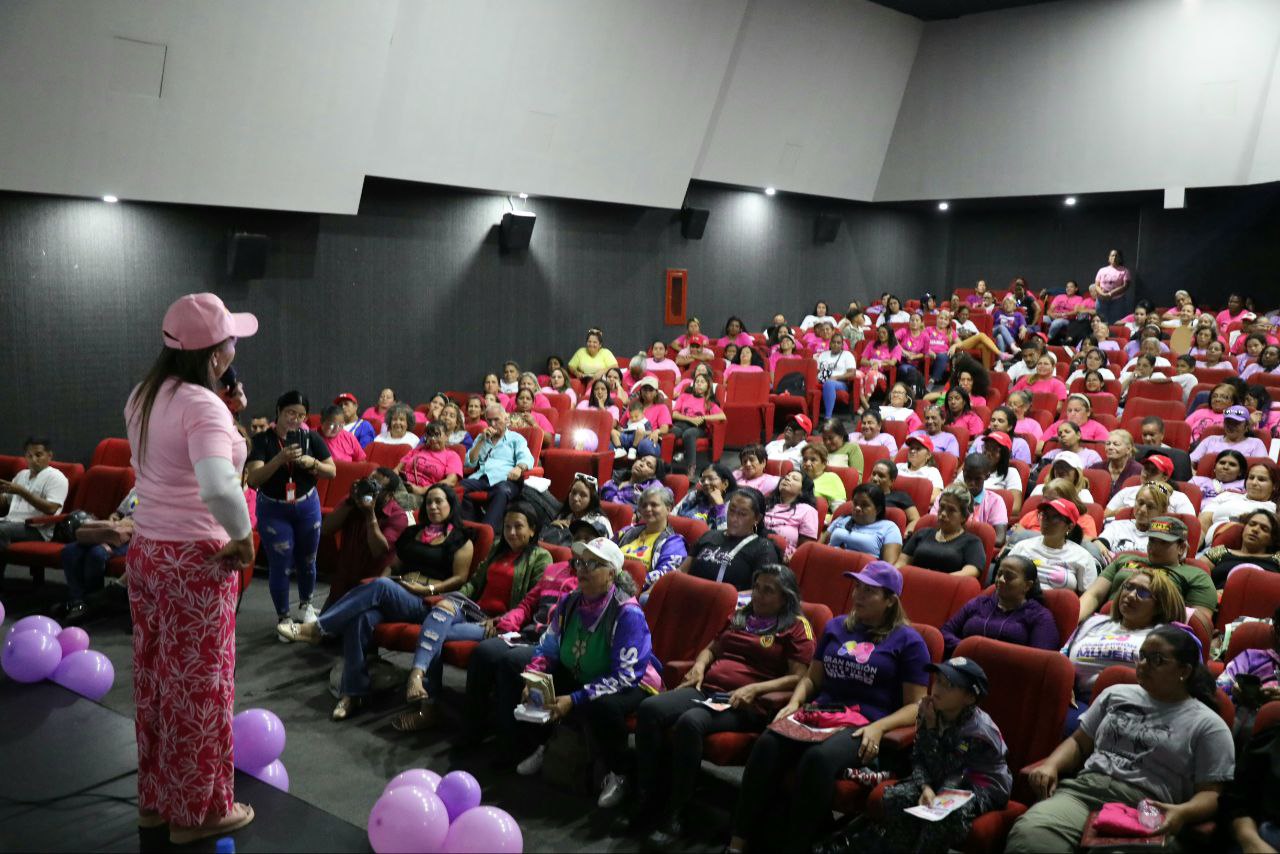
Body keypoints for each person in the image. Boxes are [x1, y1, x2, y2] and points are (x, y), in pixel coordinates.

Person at [123, 292, 258, 842]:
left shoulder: (144, 394)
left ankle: (156, 802)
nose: (233, 346)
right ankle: (199, 813)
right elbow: (215, 484)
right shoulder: (201, 406)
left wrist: (228, 418)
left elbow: (169, 464)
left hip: (149, 550)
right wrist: (245, 538)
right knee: (201, 687)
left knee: (156, 677)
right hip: (195, 559)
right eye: (230, 339)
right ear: (216, 353)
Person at [727, 561, 929, 853]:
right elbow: (812, 679)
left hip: (865, 723)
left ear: (889, 601)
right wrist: (794, 703)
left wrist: (879, 727)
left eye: (869, 591)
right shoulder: (837, 627)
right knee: (767, 744)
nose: (857, 595)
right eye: (857, 587)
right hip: (823, 712)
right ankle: (738, 843)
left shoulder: (910, 642)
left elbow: (916, 706)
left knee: (818, 760)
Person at [1007, 625, 1234, 853]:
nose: (1143, 664)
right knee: (1030, 837)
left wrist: (1182, 813)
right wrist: (1051, 764)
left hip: (1145, 808)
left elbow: (1212, 793)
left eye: (1157, 660)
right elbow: (1078, 742)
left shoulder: (1208, 725)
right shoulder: (1115, 694)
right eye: (1142, 656)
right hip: (1084, 791)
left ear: (1184, 670)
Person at [632, 565, 815, 844]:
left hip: (747, 703)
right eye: (758, 588)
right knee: (650, 709)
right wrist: (699, 667)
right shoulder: (742, 615)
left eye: (769, 591)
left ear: (785, 597)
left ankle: (678, 810)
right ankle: (647, 796)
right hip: (707, 689)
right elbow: (711, 648)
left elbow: (799, 678)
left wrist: (755, 688)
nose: (760, 595)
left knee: (690, 722)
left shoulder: (795, 626)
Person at [280, 480, 468, 713]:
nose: (433, 506)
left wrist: (428, 590)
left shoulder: (461, 538)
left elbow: (460, 578)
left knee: (380, 586)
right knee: (363, 618)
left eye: (439, 501)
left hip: (430, 603)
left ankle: (318, 629)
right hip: (402, 592)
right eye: (429, 501)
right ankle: (353, 693)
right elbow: (394, 565)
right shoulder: (413, 533)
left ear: (451, 505)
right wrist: (387, 580)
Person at [512, 537, 662, 810]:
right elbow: (548, 646)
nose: (583, 569)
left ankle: (619, 772)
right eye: (580, 562)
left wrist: (577, 698)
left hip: (631, 682)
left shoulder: (627, 613)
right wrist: (533, 678)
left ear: (612, 574)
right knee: (535, 682)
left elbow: (626, 675)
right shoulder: (569, 602)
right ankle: (544, 746)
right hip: (585, 672)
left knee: (603, 706)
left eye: (594, 564)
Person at [393, 502, 550, 731]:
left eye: (519, 527)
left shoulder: (540, 557)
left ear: (533, 529)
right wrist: (452, 598)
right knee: (441, 611)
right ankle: (417, 677)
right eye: (507, 527)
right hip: (474, 609)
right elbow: (474, 584)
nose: (512, 533)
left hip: (499, 623)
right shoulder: (498, 547)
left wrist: (500, 620)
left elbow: (531, 602)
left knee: (435, 633)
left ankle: (428, 705)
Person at [457, 519, 594, 748]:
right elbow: (528, 604)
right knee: (484, 652)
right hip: (528, 633)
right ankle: (472, 730)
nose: (582, 543)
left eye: (588, 539)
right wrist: (509, 621)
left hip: (556, 643)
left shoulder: (591, 580)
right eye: (578, 537)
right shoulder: (554, 569)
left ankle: (509, 742)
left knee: (511, 662)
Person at [875, 658, 1011, 854]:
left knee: (943, 814)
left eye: (950, 685)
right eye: (937, 680)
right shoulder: (932, 710)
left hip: (981, 786)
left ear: (970, 698)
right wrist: (926, 787)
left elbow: (953, 774)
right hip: (942, 777)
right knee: (897, 797)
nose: (937, 688)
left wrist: (930, 729)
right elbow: (918, 756)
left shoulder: (978, 732)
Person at [246, 390, 336, 628]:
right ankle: (283, 617)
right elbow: (254, 479)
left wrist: (313, 463)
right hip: (274, 509)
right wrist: (279, 459)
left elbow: (332, 471)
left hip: (307, 505)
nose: (295, 419)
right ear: (279, 412)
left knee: (308, 559)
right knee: (280, 563)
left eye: (301, 415)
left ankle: (307, 604)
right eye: (290, 413)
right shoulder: (263, 440)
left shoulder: (311, 438)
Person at [1078, 516, 1218, 630]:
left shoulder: (1196, 576)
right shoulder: (1125, 559)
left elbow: (1199, 625)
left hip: (1155, 634)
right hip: (1105, 624)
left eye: (1163, 543)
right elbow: (1094, 594)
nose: (1154, 547)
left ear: (1181, 548)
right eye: (1152, 540)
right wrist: (1075, 622)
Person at [941, 554, 1059, 655]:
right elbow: (945, 632)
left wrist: (993, 656)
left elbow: (1040, 658)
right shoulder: (979, 603)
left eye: (1009, 577)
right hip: (963, 664)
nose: (1001, 579)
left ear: (1027, 586)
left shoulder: (1039, 616)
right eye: (999, 574)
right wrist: (969, 649)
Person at [54, 487, 138, 623]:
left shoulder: (165, 491)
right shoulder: (136, 489)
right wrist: (114, 518)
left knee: (96, 554)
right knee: (70, 551)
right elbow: (118, 513)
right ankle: (77, 600)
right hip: (112, 532)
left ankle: (91, 604)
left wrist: (131, 523)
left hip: (134, 538)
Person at [680, 488, 782, 594]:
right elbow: (682, 571)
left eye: (742, 514)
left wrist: (727, 598)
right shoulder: (709, 535)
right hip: (689, 596)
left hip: (728, 605)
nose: (734, 518)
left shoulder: (763, 549)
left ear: (757, 518)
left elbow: (761, 592)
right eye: (731, 510)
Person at [460, 403, 534, 532]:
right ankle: (470, 527)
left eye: (496, 419)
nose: (493, 424)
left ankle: (487, 532)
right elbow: (469, 462)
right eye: (489, 420)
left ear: (506, 420)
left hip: (506, 480)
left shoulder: (516, 439)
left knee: (502, 491)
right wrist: (482, 441)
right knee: (459, 488)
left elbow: (527, 458)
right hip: (482, 477)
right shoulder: (481, 437)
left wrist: (519, 468)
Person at [1216, 604, 1280, 747]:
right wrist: (1235, 690)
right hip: (1238, 732)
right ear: (1276, 630)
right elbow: (1218, 687)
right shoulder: (1252, 658)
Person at [1007, 498, 1098, 593]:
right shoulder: (1023, 546)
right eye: (1044, 515)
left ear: (1070, 527)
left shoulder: (1083, 557)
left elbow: (1087, 596)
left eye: (1055, 517)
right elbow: (1004, 577)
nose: (1046, 520)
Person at [896, 484, 987, 578]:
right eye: (942, 507)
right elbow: (901, 563)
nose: (943, 514)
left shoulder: (972, 542)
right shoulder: (922, 533)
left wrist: (938, 581)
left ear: (964, 517)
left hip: (947, 589)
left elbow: (972, 571)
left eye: (951, 510)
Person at [0, 436, 70, 555]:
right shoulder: (21, 475)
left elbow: (51, 509)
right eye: (29, 456)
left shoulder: (57, 478)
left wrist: (22, 492)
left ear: (49, 455)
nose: (33, 460)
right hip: (10, 521)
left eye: (38, 455)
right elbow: (5, 502)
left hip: (36, 529)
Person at [1200, 462, 1280, 546]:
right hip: (1206, 548)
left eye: (1261, 479)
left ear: (1275, 485)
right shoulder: (1226, 496)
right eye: (1251, 478)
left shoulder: (1274, 509)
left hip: (1242, 553)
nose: (1254, 483)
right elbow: (1203, 523)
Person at [1095, 482, 1173, 564]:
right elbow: (1100, 543)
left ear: (1163, 511)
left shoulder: (1167, 535)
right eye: (1140, 503)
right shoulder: (1117, 526)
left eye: (1150, 506)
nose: (1142, 510)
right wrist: (1098, 544)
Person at [824, 483, 903, 562]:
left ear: (878, 509)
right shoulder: (842, 519)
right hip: (828, 564)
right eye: (855, 503)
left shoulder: (889, 528)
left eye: (864, 505)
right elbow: (819, 546)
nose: (857, 508)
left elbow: (889, 567)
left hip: (862, 572)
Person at [1202, 508, 1280, 588]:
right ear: (1244, 528)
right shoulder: (1219, 552)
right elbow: (1196, 574)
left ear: (1272, 539)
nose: (1255, 530)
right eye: (1252, 524)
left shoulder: (1277, 559)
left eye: (1264, 529)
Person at [395, 420, 464, 510]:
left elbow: (451, 481)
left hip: (425, 494)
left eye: (436, 434)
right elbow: (396, 469)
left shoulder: (452, 456)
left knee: (398, 501)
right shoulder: (419, 449)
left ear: (446, 436)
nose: (432, 439)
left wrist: (422, 490)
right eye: (429, 435)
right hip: (403, 486)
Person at [670, 371, 725, 477]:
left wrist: (703, 417)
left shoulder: (709, 402)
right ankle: (666, 464)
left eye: (702, 382)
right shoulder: (684, 396)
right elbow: (674, 414)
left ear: (708, 386)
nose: (699, 384)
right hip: (682, 424)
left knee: (689, 433)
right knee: (672, 431)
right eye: (697, 382)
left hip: (698, 428)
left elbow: (722, 416)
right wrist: (690, 419)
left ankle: (691, 467)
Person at [1104, 454, 1193, 518]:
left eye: (1153, 471)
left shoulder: (1179, 498)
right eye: (1145, 468)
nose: (1146, 474)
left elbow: (1189, 525)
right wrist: (1121, 512)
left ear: (1165, 477)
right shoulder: (1127, 491)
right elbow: (1104, 516)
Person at [542, 472, 612, 547]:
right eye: (573, 492)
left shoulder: (601, 522)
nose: (575, 498)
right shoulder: (564, 516)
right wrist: (551, 528)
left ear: (592, 499)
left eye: (583, 495)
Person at [763, 470, 820, 559]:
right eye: (787, 476)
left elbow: (805, 548)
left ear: (802, 490)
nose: (787, 478)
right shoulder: (766, 503)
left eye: (795, 479)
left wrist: (792, 558)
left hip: (782, 558)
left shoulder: (807, 510)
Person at [1190, 404, 1268, 464]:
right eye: (1228, 422)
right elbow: (1191, 461)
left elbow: (1262, 468)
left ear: (1247, 426)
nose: (1231, 426)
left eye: (1236, 423)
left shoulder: (1256, 443)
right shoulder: (1211, 440)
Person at [673, 463, 736, 529]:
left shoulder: (733, 505)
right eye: (703, 480)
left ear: (725, 484)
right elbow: (673, 515)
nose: (705, 482)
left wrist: (720, 507)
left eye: (711, 479)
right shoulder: (695, 495)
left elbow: (725, 535)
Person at [870, 459, 922, 535]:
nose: (875, 478)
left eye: (881, 476)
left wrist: (904, 535)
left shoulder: (900, 496)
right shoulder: (863, 493)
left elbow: (915, 519)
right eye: (873, 474)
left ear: (892, 481)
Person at [1088, 430, 1143, 501]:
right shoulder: (1095, 468)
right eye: (1108, 444)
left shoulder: (1138, 471)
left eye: (1116, 444)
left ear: (1128, 449)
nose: (1110, 447)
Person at [817, 331, 861, 417]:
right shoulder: (823, 355)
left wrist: (836, 377)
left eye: (838, 343)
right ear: (830, 343)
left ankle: (828, 417)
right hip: (822, 380)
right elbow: (817, 371)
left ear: (842, 345)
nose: (835, 344)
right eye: (833, 342)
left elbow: (852, 373)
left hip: (841, 383)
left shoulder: (847, 355)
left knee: (829, 383)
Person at [600, 451, 666, 510]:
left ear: (653, 475)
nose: (641, 464)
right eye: (642, 460)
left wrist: (637, 516)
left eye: (649, 465)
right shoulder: (616, 478)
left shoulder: (649, 489)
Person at [1043, 395, 1110, 450]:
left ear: (1088, 412)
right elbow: (1039, 448)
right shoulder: (1058, 424)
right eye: (1069, 410)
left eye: (1077, 410)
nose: (1072, 414)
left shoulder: (1098, 428)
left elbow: (1103, 452)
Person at [1087, 247, 1134, 325]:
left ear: (1120, 258)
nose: (1114, 257)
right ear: (1109, 258)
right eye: (1112, 255)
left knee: (1114, 322)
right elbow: (1097, 285)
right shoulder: (1102, 270)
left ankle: (1111, 336)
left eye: (1116, 256)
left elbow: (1126, 286)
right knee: (1100, 320)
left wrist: (1111, 294)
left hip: (1117, 300)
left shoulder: (1125, 271)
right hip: (1101, 300)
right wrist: (1102, 294)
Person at [800, 442, 847, 514]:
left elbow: (839, 512)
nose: (807, 463)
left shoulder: (831, 478)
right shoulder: (797, 477)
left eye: (813, 460)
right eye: (805, 459)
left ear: (824, 464)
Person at [897, 434, 944, 503]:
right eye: (911, 448)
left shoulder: (932, 472)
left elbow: (936, 496)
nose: (912, 451)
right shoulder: (898, 467)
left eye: (918, 449)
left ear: (928, 455)